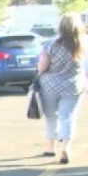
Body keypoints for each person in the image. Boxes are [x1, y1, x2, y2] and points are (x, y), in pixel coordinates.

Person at [37, 12, 88, 164]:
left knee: (51, 116)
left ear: (61, 26)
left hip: (50, 85)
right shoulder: (83, 44)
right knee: (68, 117)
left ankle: (50, 147)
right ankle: (67, 147)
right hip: (74, 85)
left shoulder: (51, 44)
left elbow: (42, 67)